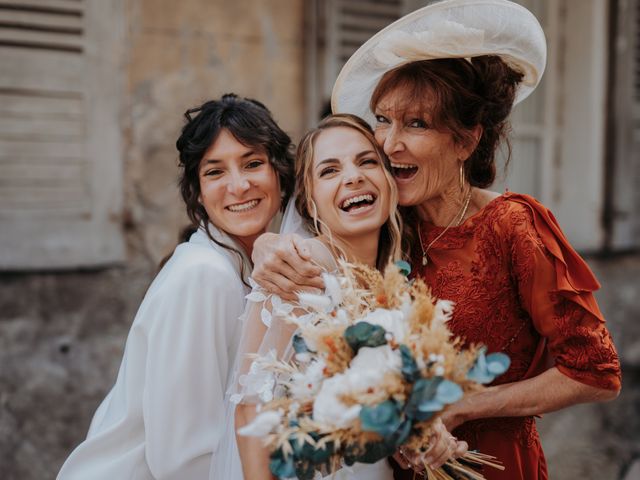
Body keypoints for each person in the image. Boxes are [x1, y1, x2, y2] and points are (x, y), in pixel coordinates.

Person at [249, 1, 622, 479]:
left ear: (466, 141)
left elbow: (595, 372)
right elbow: (317, 227)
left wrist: (468, 405)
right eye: (383, 119)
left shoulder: (513, 226)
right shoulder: (388, 224)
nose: (387, 143)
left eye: (416, 124)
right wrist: (266, 244)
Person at [57, 93, 295, 480]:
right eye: (215, 172)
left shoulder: (244, 267)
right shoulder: (204, 275)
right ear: (198, 192)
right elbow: (184, 458)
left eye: (253, 163)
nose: (238, 185)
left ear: (279, 175)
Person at [230, 114, 467, 480]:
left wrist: (421, 433)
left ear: (389, 181)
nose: (353, 177)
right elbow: (251, 409)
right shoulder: (300, 271)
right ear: (309, 202)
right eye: (329, 171)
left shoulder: (396, 283)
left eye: (367, 161)